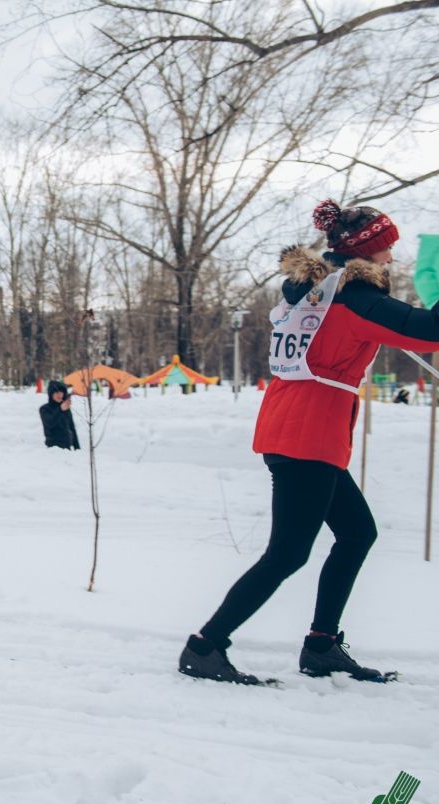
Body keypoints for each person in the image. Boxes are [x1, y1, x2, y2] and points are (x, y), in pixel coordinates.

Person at [178, 200, 439, 685]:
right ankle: (205, 646)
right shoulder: (355, 299)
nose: (392, 260)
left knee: (358, 533)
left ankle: (321, 645)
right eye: (388, 250)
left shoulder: (315, 288)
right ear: (368, 252)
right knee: (287, 554)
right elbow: (432, 332)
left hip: (295, 427)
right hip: (307, 436)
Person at [39, 379, 80, 449]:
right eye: (56, 392)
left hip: (67, 449)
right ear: (51, 393)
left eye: (62, 392)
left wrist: (77, 448)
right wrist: (60, 410)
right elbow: (49, 423)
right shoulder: (44, 409)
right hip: (53, 449)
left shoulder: (66, 408)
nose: (59, 394)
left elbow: (72, 428)